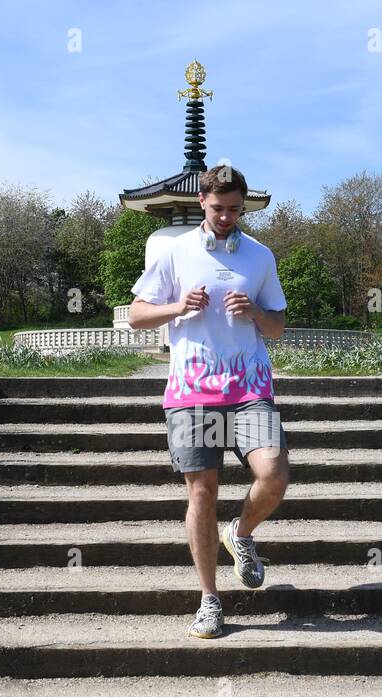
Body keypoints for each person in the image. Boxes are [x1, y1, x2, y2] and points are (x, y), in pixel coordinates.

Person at [128, 164, 290, 639]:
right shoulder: (174, 252)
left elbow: (278, 327)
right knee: (203, 491)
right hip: (193, 391)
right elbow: (137, 315)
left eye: (235, 209)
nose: (226, 217)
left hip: (249, 390)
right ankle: (210, 600)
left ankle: (239, 534)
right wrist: (178, 308)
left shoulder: (260, 256)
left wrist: (255, 312)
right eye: (218, 208)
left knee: (275, 474)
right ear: (201, 202)